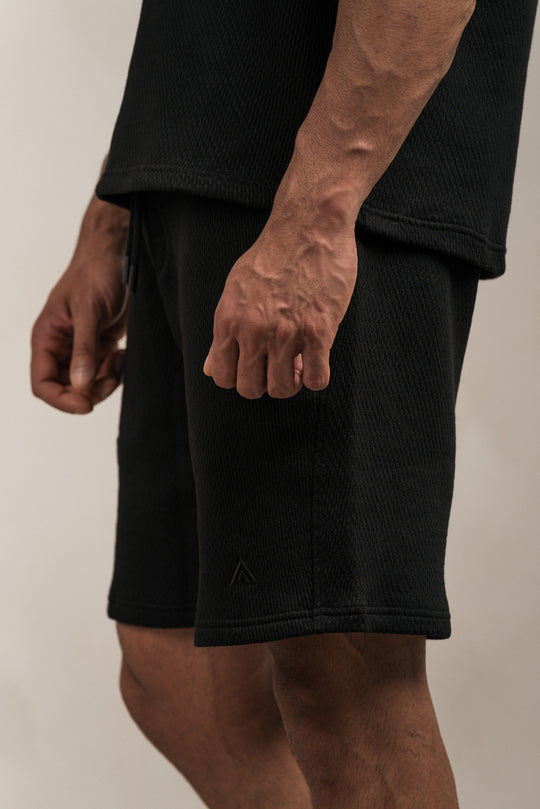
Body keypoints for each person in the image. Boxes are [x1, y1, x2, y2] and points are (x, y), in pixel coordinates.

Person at [30, 1, 537, 807]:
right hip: (196, 164)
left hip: (336, 177)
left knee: (344, 677)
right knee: (177, 665)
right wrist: (112, 216)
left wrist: (321, 208)